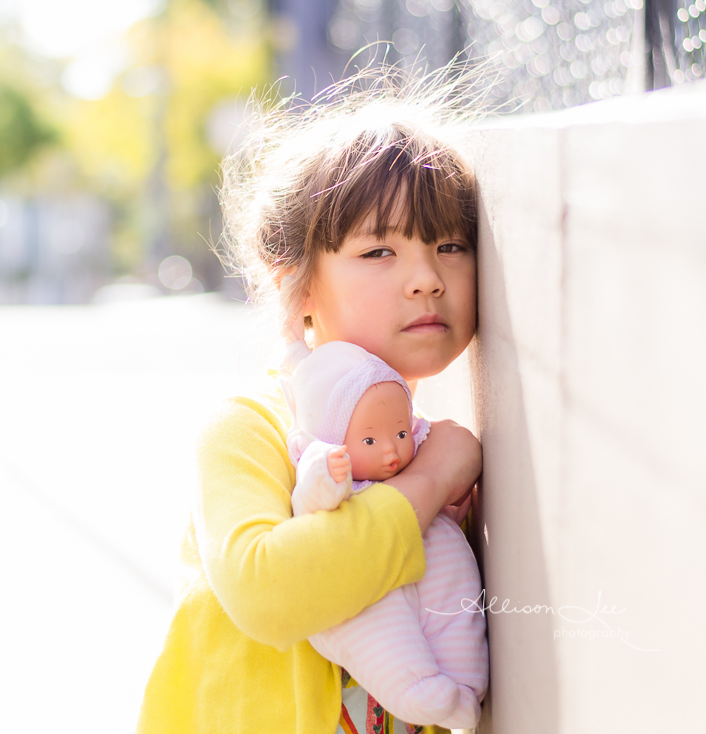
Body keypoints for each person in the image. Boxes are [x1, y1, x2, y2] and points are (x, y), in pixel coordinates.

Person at [137, 71, 484, 734]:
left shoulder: (422, 430)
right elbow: (268, 591)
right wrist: (432, 482)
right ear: (297, 290)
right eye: (378, 249)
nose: (426, 279)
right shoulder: (252, 427)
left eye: (450, 245)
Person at [281, 339, 488, 729]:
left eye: (400, 433)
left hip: (429, 576)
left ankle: (466, 685)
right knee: (385, 636)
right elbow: (310, 499)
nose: (391, 452)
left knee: (456, 610)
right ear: (332, 440)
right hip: (367, 594)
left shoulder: (418, 464)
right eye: (370, 441)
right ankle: (419, 692)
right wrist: (327, 473)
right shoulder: (329, 467)